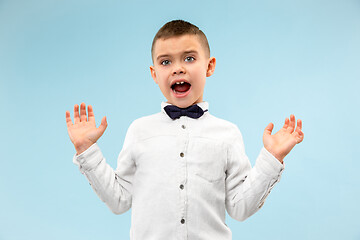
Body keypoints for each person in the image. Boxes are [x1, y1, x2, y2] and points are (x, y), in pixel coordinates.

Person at [65, 20, 304, 240]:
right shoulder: (139, 131)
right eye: (165, 61)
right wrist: (87, 151)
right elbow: (119, 200)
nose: (177, 69)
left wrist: (272, 159)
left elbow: (239, 208)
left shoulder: (228, 134)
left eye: (189, 58)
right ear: (154, 74)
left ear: (209, 66)